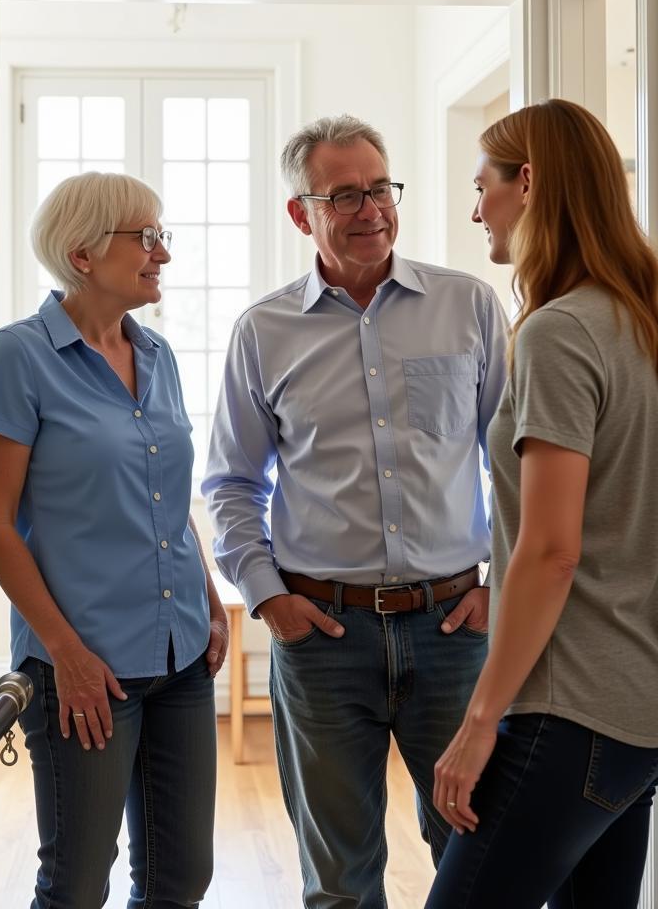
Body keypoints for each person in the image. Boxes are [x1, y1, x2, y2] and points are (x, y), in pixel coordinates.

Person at [202, 114, 509, 907]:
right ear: (302, 213)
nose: (372, 209)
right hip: (324, 639)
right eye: (345, 196)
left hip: (454, 631)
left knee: (479, 859)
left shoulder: (468, 306)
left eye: (380, 188)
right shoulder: (263, 332)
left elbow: (515, 467)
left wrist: (495, 590)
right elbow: (231, 483)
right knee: (339, 881)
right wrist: (269, 599)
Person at [427, 99, 658, 909]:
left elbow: (550, 552)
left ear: (530, 182)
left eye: (483, 186)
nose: (476, 208)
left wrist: (480, 724)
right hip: (652, 709)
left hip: (571, 709)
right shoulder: (649, 325)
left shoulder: (557, 332)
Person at [0, 172, 228, 909]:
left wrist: (208, 602)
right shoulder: (19, 357)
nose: (162, 255)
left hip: (179, 656)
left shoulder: (161, 357)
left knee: (182, 879)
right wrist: (65, 653)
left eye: (161, 236)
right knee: (77, 884)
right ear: (82, 255)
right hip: (85, 666)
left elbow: (168, 504)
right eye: (145, 238)